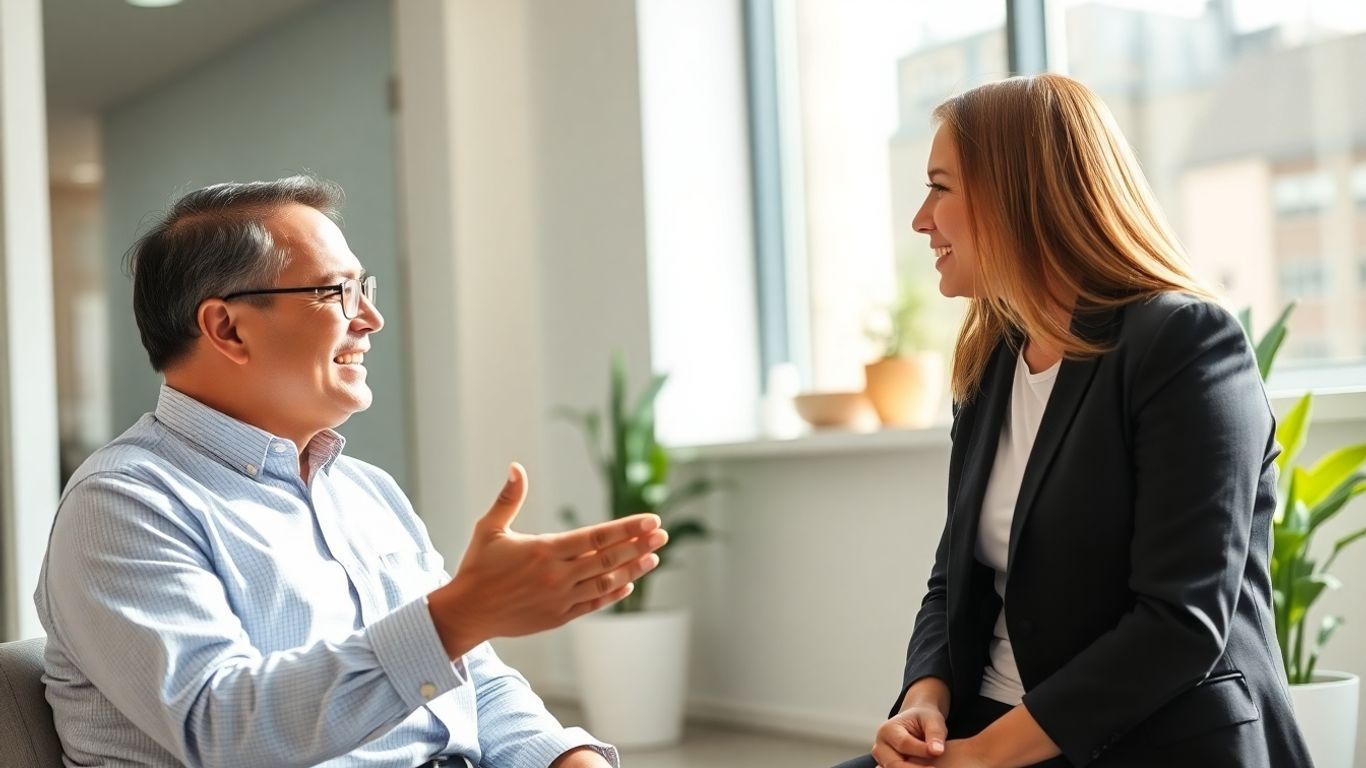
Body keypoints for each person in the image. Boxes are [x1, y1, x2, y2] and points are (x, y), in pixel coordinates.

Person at [35, 176, 667, 768]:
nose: (369, 319)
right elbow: (222, 728)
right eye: (336, 292)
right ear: (227, 327)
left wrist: (563, 756)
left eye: (365, 289)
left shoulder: (367, 492)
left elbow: (470, 679)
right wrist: (456, 616)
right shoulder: (123, 502)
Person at [835, 74, 1313, 767]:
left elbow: (1179, 624)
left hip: (1144, 743)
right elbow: (955, 578)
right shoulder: (992, 359)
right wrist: (925, 699)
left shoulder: (1184, 342)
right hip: (987, 728)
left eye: (940, 188)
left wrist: (983, 756)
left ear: (1017, 195)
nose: (920, 219)